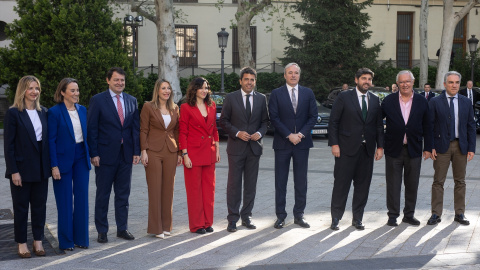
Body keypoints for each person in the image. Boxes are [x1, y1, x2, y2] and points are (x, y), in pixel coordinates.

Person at [87, 67, 140, 243]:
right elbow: (92, 128)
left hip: (125, 155)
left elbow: (134, 129)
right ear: (108, 80)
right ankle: (102, 230)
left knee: (123, 194)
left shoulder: (132, 100)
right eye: (116, 80)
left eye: (122, 80)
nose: (120, 83)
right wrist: (93, 153)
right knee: (103, 194)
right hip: (104, 156)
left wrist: (136, 151)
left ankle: (122, 228)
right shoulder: (98, 100)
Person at [328, 68, 384, 231]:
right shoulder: (344, 97)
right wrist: (335, 144)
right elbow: (334, 122)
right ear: (356, 80)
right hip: (345, 150)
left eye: (369, 79)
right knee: (341, 185)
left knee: (363, 186)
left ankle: (357, 218)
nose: (367, 81)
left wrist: (380, 146)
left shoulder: (374, 100)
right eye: (364, 78)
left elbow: (379, 125)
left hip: (367, 151)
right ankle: (336, 218)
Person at [4, 75, 50, 258]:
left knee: (40, 206)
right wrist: (14, 170)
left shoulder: (43, 111)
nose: (34, 92)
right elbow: (9, 145)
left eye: (36, 88)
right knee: (21, 207)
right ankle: (21, 242)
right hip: (21, 170)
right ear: (22, 90)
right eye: (30, 88)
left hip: (41, 168)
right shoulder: (13, 113)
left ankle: (38, 240)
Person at [268, 63, 318, 229]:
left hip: (302, 144)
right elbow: (274, 118)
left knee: (301, 181)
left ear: (299, 75)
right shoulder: (276, 94)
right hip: (282, 143)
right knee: (280, 182)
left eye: (296, 73)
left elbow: (313, 116)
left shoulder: (308, 93)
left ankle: (299, 215)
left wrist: (301, 135)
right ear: (284, 75)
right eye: (290, 73)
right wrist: (289, 135)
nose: (293, 75)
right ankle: (280, 216)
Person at [219, 67, 269, 232]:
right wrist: (237, 133)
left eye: (252, 80)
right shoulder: (231, 98)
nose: (249, 82)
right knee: (234, 185)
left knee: (250, 185)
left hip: (254, 149)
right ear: (240, 81)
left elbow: (265, 122)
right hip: (236, 148)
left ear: (255, 82)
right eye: (246, 79)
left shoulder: (261, 99)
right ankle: (232, 219)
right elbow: (224, 121)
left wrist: (260, 133)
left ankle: (246, 216)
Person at [381, 71, 432, 227]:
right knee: (393, 184)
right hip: (393, 149)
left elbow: (428, 126)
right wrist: (380, 144)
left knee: (412, 184)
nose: (405, 84)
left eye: (407, 81)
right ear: (397, 83)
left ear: (413, 82)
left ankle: (409, 215)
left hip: (414, 149)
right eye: (401, 82)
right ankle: (392, 215)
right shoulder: (388, 101)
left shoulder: (422, 101)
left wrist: (428, 148)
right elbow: (377, 123)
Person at [427, 71, 476, 226]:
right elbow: (429, 126)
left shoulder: (466, 102)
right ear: (444, 84)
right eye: (451, 82)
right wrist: (431, 146)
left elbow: (471, 126)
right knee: (438, 181)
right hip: (441, 147)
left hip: (461, 146)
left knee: (460, 181)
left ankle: (460, 213)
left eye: (456, 82)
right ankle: (436, 214)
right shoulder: (435, 102)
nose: (454, 85)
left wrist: (472, 147)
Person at [48, 78, 91, 250]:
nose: (76, 94)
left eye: (77, 90)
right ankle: (66, 242)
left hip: (81, 157)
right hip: (62, 161)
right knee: (65, 201)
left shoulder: (82, 110)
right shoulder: (54, 112)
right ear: (62, 93)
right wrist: (54, 165)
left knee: (82, 199)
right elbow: (50, 141)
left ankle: (81, 239)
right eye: (72, 90)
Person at [140, 79, 182, 239]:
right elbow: (143, 129)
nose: (166, 91)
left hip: (171, 151)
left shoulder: (175, 108)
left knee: (168, 190)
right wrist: (143, 151)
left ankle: (166, 226)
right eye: (163, 88)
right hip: (153, 151)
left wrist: (179, 153)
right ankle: (156, 228)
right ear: (157, 90)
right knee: (155, 189)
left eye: (169, 88)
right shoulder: (148, 107)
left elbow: (177, 131)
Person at [179, 77, 220, 234]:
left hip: (209, 153)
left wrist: (217, 149)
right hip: (193, 154)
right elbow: (183, 132)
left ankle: (207, 222)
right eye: (201, 87)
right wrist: (185, 154)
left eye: (206, 87)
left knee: (209, 190)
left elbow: (214, 129)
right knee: (194, 191)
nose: (204, 90)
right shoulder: (186, 107)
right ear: (194, 89)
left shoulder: (212, 105)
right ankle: (197, 225)